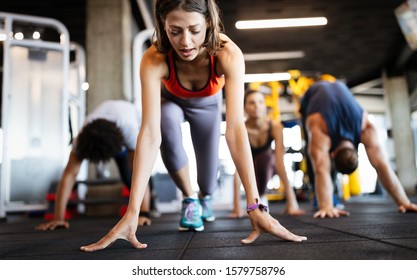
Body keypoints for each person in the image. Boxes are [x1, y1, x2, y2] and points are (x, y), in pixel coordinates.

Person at [80, 0, 306, 252]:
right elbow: (150, 134)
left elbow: (234, 129)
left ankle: (204, 197)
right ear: (163, 26)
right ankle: (190, 198)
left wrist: (254, 205)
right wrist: (133, 212)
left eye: (194, 30)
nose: (185, 42)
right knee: (165, 119)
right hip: (172, 103)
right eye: (175, 31)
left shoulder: (227, 53)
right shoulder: (154, 58)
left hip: (207, 106)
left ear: (208, 24)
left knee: (208, 180)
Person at [299, 79, 417, 218]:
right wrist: (326, 206)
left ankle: (326, 199)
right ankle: (323, 199)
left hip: (338, 86)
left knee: (319, 159)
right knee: (313, 156)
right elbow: (381, 165)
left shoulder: (364, 127)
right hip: (312, 94)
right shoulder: (323, 128)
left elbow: (382, 166)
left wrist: (404, 202)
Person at [35, 100, 153, 231]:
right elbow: (69, 175)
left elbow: (140, 172)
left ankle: (149, 206)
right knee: (128, 179)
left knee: (129, 176)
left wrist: (144, 214)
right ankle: (144, 205)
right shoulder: (81, 139)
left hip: (130, 125)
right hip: (108, 130)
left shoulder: (129, 130)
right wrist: (58, 218)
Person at [229, 90, 306, 218]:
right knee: (253, 161)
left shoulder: (275, 126)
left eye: (260, 102)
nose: (257, 106)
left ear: (265, 105)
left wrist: (292, 202)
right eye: (252, 103)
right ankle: (257, 198)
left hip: (270, 166)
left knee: (267, 157)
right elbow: (238, 168)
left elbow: (280, 163)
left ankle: (262, 196)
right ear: (244, 108)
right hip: (250, 167)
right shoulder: (242, 129)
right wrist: (236, 207)